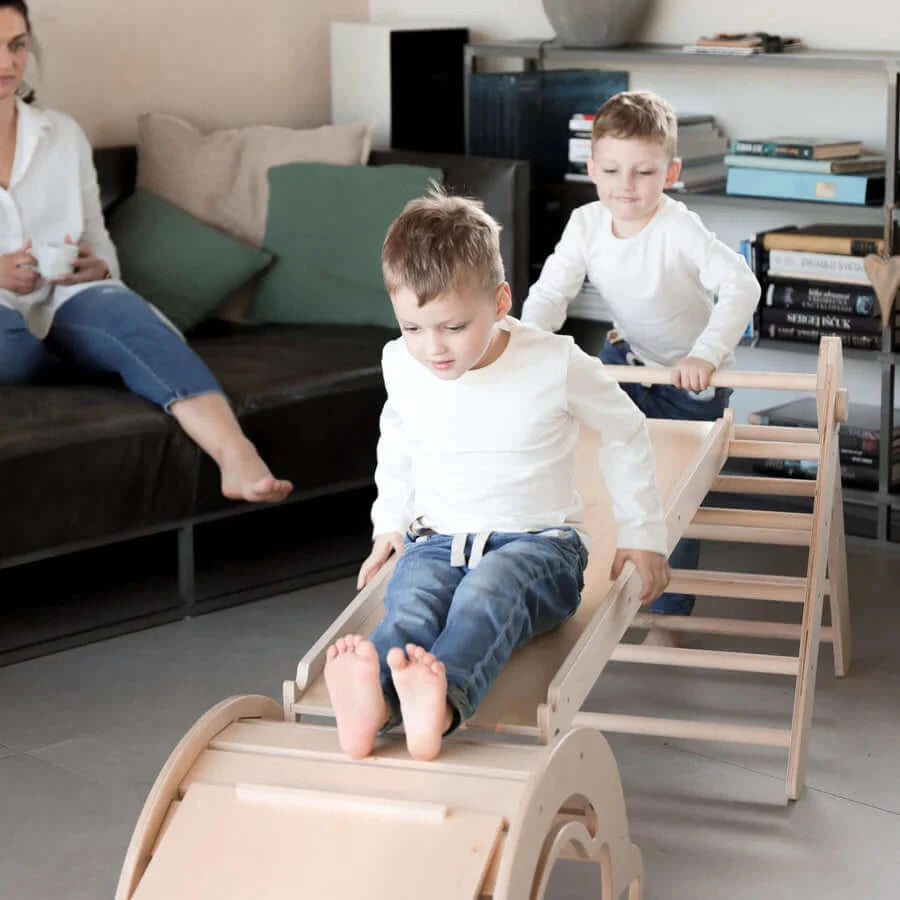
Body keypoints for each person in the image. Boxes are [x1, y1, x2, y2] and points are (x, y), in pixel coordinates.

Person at [323, 188, 671, 762]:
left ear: (501, 300)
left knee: (486, 592)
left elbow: (626, 430)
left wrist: (642, 534)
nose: (432, 348)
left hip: (540, 547)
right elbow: (399, 441)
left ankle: (442, 703)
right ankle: (375, 702)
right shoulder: (401, 364)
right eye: (413, 328)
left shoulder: (553, 361)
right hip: (437, 541)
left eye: (453, 326)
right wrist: (389, 524)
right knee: (411, 604)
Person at [0, 1, 291, 504]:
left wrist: (99, 266)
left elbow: (97, 239)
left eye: (17, 45)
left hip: (66, 297)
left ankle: (235, 454)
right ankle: (84, 357)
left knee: (128, 318)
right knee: (10, 348)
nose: (7, 62)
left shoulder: (62, 135)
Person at [521, 90, 760, 640]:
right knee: (591, 459)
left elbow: (741, 285)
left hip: (690, 379)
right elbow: (552, 292)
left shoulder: (678, 227)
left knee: (671, 487)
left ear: (670, 173)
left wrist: (705, 354)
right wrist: (529, 342)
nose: (625, 186)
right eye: (611, 170)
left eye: (644, 172)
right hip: (626, 359)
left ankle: (665, 612)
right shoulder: (585, 224)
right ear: (591, 169)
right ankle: (580, 579)